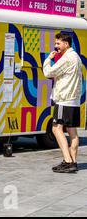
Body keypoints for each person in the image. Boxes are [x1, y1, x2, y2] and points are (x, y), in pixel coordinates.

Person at [43, 33, 82, 173]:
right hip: (74, 100)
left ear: (66, 44)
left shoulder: (66, 58)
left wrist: (49, 58)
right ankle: (74, 162)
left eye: (58, 43)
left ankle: (68, 161)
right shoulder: (76, 57)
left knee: (56, 129)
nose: (56, 46)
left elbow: (48, 72)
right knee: (73, 132)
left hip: (64, 100)